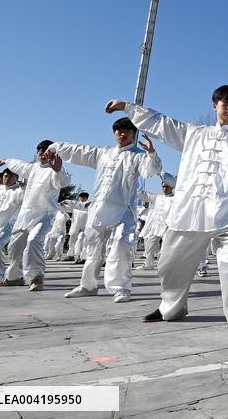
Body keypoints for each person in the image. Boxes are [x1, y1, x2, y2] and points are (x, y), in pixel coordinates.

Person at [104, 86, 228, 333]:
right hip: (189, 212)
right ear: (215, 105)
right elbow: (160, 123)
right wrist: (128, 107)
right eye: (225, 102)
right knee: (171, 264)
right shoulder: (193, 133)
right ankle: (171, 308)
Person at [54, 119, 162, 303]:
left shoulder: (138, 155)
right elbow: (79, 150)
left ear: (134, 134)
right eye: (119, 130)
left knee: (121, 245)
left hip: (123, 209)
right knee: (93, 248)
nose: (122, 134)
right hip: (99, 208)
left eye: (127, 131)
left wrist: (151, 154)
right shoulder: (103, 153)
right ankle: (88, 286)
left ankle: (122, 288)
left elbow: (150, 170)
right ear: (114, 133)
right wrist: (55, 147)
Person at [0, 141, 71, 290]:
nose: (43, 153)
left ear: (53, 154)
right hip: (26, 214)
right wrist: (6, 161)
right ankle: (13, 277)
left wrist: (58, 170)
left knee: (33, 241)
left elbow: (63, 182)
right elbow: (19, 165)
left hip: (45, 214)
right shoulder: (32, 168)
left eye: (47, 150)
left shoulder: (55, 170)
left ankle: (36, 277)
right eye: (40, 150)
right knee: (14, 246)